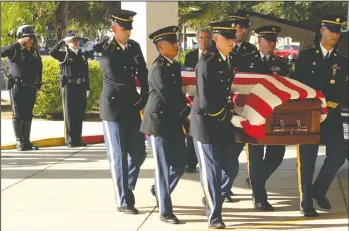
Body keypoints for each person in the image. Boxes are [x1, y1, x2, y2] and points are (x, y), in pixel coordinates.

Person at [289, 15, 348, 217]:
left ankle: (319, 189)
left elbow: (344, 89)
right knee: (307, 159)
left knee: (339, 154)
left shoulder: (342, 61)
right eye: (331, 29)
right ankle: (306, 203)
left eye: (338, 31)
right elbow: (295, 84)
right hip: (309, 114)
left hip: (331, 114)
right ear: (322, 30)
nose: (335, 34)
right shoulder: (306, 56)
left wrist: (331, 104)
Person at [93, 9, 149, 215]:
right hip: (114, 109)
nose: (129, 32)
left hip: (132, 109)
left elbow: (143, 73)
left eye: (129, 28)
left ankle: (127, 186)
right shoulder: (108, 50)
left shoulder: (133, 47)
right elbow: (118, 82)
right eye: (125, 28)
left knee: (138, 153)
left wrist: (145, 95)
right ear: (114, 28)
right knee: (118, 155)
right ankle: (123, 200)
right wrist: (139, 100)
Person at [190, 20, 239, 229]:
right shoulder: (207, 62)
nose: (232, 42)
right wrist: (224, 115)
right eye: (228, 38)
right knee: (211, 172)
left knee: (231, 167)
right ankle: (214, 216)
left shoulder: (230, 59)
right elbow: (206, 100)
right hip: (207, 124)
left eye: (233, 38)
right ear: (217, 39)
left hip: (222, 121)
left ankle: (212, 199)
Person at [140, 26, 191, 224]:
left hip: (172, 121)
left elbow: (177, 94)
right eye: (172, 42)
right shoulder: (158, 68)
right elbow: (168, 96)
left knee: (179, 164)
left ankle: (159, 190)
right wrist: (188, 113)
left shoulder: (173, 65)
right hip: (159, 122)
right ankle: (165, 211)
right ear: (161, 46)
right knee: (162, 168)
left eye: (176, 41)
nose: (176, 45)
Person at [235, 25, 289, 212]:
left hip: (274, 117)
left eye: (275, 41)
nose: (273, 44)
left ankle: (256, 179)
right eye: (269, 40)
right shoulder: (245, 61)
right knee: (255, 157)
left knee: (277, 154)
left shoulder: (281, 64)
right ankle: (260, 198)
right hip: (252, 116)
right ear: (260, 42)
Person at [226, 10, 258, 202]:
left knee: (247, 149)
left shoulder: (251, 51)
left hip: (246, 106)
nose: (242, 30)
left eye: (245, 26)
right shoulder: (219, 48)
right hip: (227, 106)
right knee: (229, 151)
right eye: (239, 26)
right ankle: (225, 186)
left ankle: (255, 184)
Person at [1, 25, 42, 151]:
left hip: (30, 87)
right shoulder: (15, 50)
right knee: (18, 115)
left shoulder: (34, 52)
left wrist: (38, 83)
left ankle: (27, 141)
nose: (30, 41)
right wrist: (18, 43)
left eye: (32, 38)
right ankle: (19, 141)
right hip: (17, 87)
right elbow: (2, 51)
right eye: (27, 38)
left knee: (28, 114)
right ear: (20, 38)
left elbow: (39, 68)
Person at [49, 30, 89, 148]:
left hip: (80, 86)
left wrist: (87, 88)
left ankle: (77, 139)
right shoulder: (64, 54)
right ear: (68, 42)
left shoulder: (82, 55)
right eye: (72, 40)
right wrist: (62, 41)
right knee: (70, 114)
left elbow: (86, 73)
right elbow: (52, 52)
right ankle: (71, 140)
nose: (75, 42)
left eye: (76, 40)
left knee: (79, 113)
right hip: (69, 86)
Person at [183, 28, 212, 174]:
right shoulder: (190, 56)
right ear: (197, 39)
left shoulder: (214, 56)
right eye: (202, 38)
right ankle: (190, 162)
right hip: (191, 99)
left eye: (207, 38)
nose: (204, 41)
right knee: (191, 132)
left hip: (208, 100)